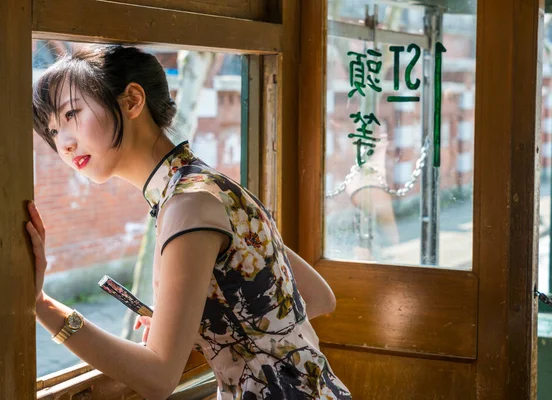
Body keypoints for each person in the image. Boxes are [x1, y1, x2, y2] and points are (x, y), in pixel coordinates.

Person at [28, 45, 352, 400]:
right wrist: (200, 317)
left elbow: (158, 378)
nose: (65, 144)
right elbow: (318, 297)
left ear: (132, 101)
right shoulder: (211, 186)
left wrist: (42, 305)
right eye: (54, 130)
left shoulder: (186, 206)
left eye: (71, 114)